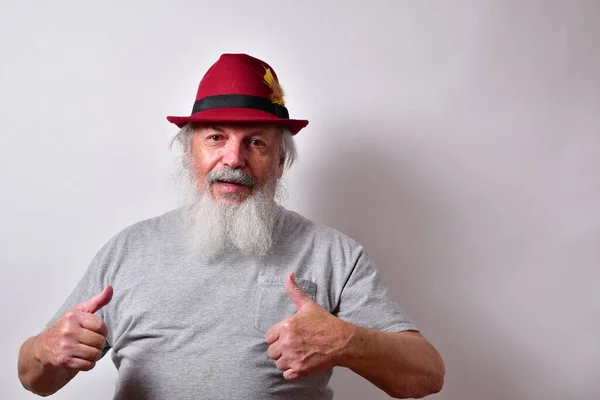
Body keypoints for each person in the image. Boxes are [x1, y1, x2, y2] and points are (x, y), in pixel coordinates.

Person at [17, 53, 445, 399]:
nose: (234, 159)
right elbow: (35, 380)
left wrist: (348, 342)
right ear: (189, 153)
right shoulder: (128, 249)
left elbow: (425, 376)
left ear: (280, 161)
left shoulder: (332, 254)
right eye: (216, 138)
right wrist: (46, 349)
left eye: (255, 142)